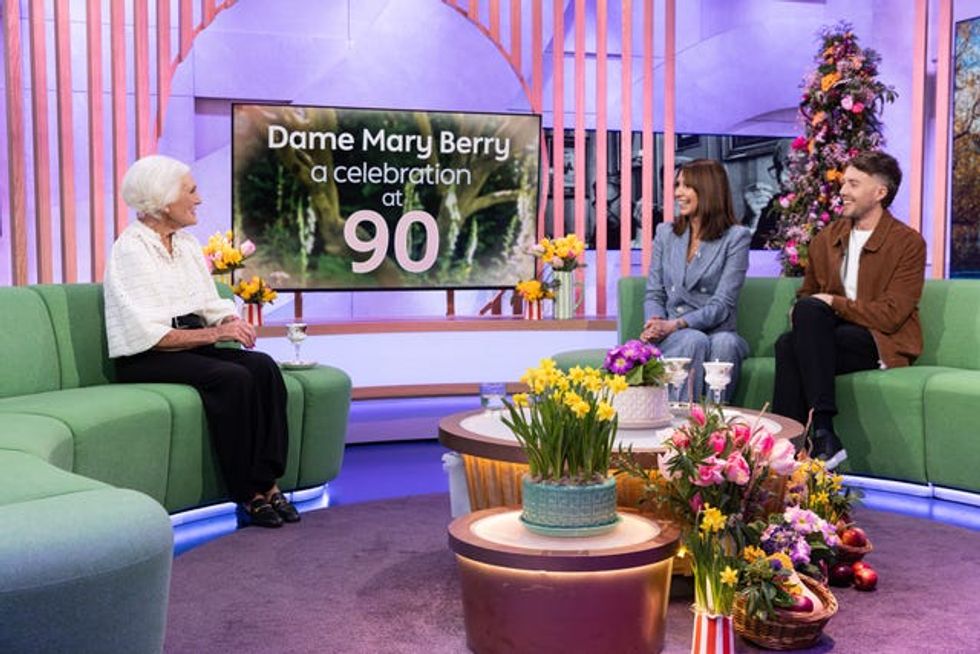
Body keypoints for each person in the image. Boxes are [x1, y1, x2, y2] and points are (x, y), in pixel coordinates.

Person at [103, 154, 300, 528]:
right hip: (148, 354)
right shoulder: (131, 248)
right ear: (162, 200)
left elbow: (207, 301)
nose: (199, 199)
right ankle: (246, 492)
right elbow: (146, 332)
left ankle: (269, 482)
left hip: (191, 343)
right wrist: (216, 333)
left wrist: (228, 318)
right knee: (233, 378)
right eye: (190, 191)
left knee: (263, 367)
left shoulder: (188, 244)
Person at [772, 151, 926, 469]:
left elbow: (892, 315)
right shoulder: (825, 240)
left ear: (879, 193)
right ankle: (814, 442)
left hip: (881, 342)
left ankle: (797, 442)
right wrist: (805, 307)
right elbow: (808, 295)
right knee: (790, 341)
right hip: (832, 336)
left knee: (795, 341)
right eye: (843, 183)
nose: (842, 191)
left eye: (853, 184)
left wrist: (832, 304)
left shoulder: (908, 243)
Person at [641, 158, 751, 402]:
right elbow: (655, 293)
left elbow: (722, 304)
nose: (677, 193)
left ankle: (712, 428)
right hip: (675, 334)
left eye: (686, 186)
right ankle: (676, 425)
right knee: (692, 339)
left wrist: (678, 323)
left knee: (725, 344)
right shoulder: (665, 233)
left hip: (716, 328)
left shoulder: (736, 237)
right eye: (676, 185)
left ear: (708, 189)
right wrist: (656, 322)